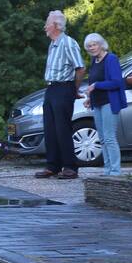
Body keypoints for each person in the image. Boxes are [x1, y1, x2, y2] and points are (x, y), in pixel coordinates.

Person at [35, 11, 84, 180]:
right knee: (50, 129)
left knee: (63, 129)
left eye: (47, 23)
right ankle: (52, 166)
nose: (44, 27)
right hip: (51, 89)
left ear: (55, 25)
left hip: (64, 88)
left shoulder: (68, 43)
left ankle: (70, 167)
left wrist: (74, 90)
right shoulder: (53, 44)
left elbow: (80, 67)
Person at [82, 33, 127, 176]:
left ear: (101, 44)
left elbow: (117, 82)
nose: (92, 48)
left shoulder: (111, 59)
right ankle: (107, 170)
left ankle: (115, 171)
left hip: (109, 102)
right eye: (89, 46)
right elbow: (92, 83)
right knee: (101, 138)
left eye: (94, 44)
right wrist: (90, 97)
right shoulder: (94, 61)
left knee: (109, 137)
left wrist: (97, 85)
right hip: (98, 103)